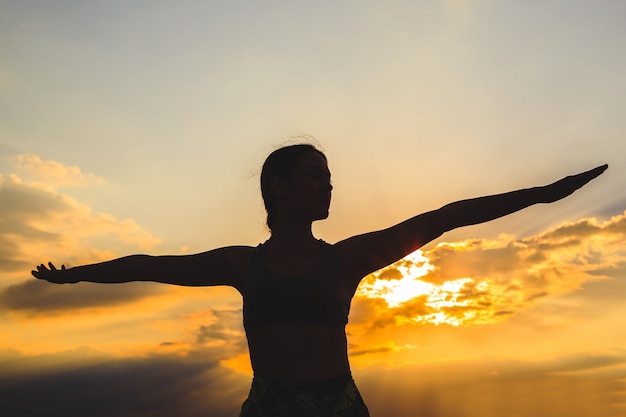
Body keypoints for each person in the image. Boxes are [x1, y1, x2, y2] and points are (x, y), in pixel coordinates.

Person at [32, 143, 608, 417]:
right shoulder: (241, 264)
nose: (329, 187)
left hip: (338, 405)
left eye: (330, 178)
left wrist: (546, 193)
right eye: (316, 176)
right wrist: (77, 276)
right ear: (278, 186)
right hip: (270, 405)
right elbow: (150, 265)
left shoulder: (347, 259)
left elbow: (448, 215)